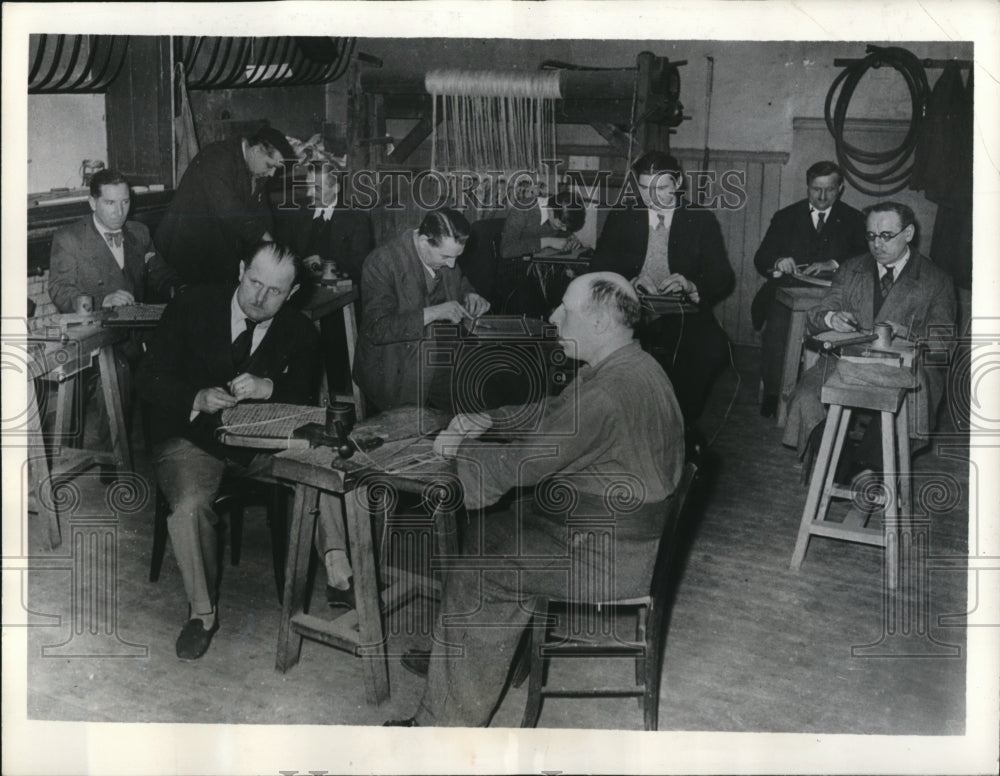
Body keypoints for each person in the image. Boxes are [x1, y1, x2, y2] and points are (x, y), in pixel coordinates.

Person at [384, 271, 685, 727]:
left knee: (479, 571)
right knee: (498, 528)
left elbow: (520, 464)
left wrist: (456, 450)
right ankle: (474, 656)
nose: (553, 317)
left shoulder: (606, 391)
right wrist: (488, 418)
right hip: (623, 537)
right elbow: (556, 413)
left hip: (607, 557)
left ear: (602, 323)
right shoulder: (634, 366)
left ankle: (440, 730)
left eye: (566, 310)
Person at [137, 242, 350, 659]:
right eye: (254, 282)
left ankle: (341, 572)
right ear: (240, 270)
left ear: (290, 295)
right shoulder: (192, 304)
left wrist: (271, 388)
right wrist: (195, 396)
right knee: (189, 507)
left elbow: (305, 395)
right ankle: (202, 614)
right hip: (191, 438)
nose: (259, 297)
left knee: (324, 463)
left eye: (274, 291)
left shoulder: (299, 329)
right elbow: (147, 377)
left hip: (259, 444)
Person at [781, 202, 956, 477]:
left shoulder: (936, 280)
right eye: (871, 236)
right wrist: (831, 319)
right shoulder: (851, 269)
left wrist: (908, 333)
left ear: (908, 233)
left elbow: (943, 342)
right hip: (848, 362)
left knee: (908, 403)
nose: (877, 244)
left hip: (908, 368)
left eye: (886, 235)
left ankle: (871, 468)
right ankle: (839, 466)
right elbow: (816, 316)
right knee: (805, 397)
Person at [590, 151, 734, 421]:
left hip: (682, 311)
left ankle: (681, 425)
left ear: (678, 183)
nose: (652, 197)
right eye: (645, 189)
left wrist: (690, 284)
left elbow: (722, 275)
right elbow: (598, 266)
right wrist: (629, 282)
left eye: (662, 188)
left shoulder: (700, 219)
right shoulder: (623, 215)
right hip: (629, 307)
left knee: (712, 348)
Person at [48, 168, 175, 452]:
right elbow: (60, 290)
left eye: (126, 202)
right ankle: (113, 460)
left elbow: (158, 272)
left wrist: (178, 289)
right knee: (116, 371)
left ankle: (170, 453)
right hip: (95, 337)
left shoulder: (139, 232)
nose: (120, 211)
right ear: (92, 202)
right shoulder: (69, 238)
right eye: (110, 203)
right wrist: (102, 299)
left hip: (137, 335)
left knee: (181, 356)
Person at [751, 161, 868, 417]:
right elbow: (761, 258)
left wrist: (835, 263)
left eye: (829, 190)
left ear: (841, 189)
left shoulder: (854, 219)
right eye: (816, 189)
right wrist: (778, 261)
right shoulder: (786, 217)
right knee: (779, 329)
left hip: (834, 299)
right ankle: (774, 392)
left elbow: (865, 259)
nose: (822, 196)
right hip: (788, 294)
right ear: (808, 187)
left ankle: (826, 396)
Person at [353, 208, 491, 413]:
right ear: (424, 241)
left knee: (485, 392)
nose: (452, 264)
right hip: (395, 366)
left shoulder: (444, 253)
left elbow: (459, 280)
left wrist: (470, 294)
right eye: (446, 256)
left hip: (437, 353)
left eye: (456, 257)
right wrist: (434, 312)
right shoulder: (382, 262)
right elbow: (377, 329)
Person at [274, 159, 374, 394]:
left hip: (341, 306)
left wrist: (324, 265)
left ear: (336, 188)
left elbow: (360, 268)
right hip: (302, 300)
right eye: (308, 186)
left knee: (336, 360)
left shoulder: (356, 219)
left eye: (316, 188)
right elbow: (286, 255)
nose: (309, 194)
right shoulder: (297, 216)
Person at [155, 126, 297, 286]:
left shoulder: (256, 169)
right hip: (182, 251)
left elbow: (262, 214)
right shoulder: (217, 157)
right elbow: (229, 209)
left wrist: (273, 249)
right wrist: (264, 237)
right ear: (256, 151)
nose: (272, 174)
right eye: (270, 165)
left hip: (214, 252)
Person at [498, 188, 587, 315]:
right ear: (550, 210)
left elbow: (563, 234)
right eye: (561, 225)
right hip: (516, 273)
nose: (564, 229)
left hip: (544, 272)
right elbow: (506, 249)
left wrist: (572, 241)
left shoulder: (560, 214)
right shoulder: (523, 210)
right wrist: (548, 241)